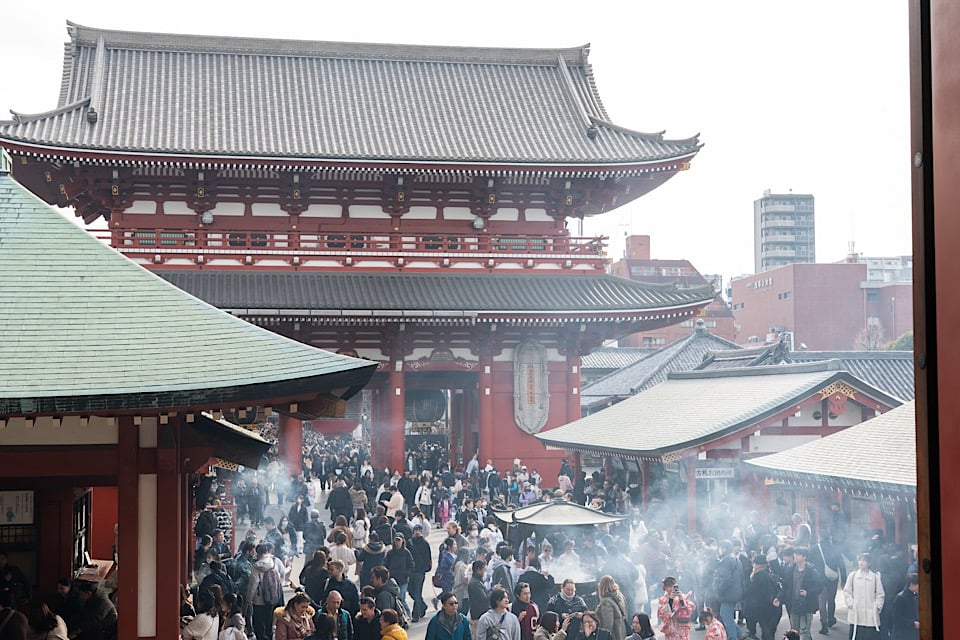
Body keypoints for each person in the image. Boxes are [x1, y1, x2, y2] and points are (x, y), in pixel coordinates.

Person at [842, 553, 884, 640]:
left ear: (869, 563)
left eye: (864, 560)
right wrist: (851, 604)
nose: (861, 562)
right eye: (860, 560)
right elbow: (847, 592)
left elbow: (880, 594)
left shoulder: (875, 577)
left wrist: (877, 607)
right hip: (856, 614)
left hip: (871, 616)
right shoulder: (853, 576)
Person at [744, 554, 782, 640]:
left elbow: (751, 591)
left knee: (765, 632)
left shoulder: (759, 575)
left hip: (763, 608)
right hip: (773, 607)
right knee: (769, 632)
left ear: (758, 565)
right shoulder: (770, 573)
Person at [714, 540, 743, 640]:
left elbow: (726, 579)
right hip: (736, 592)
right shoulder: (737, 560)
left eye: (720, 548)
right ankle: (739, 634)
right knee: (727, 615)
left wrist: (718, 590)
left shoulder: (725, 561)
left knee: (726, 616)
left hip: (728, 594)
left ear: (724, 548)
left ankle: (733, 637)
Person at [409, 524, 432, 622]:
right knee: (411, 592)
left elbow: (428, 558)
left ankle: (416, 614)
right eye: (416, 530)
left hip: (420, 572)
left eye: (419, 530)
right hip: (410, 571)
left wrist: (425, 568)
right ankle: (422, 606)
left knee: (417, 593)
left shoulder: (425, 544)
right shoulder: (409, 543)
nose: (417, 532)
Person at [385, 534, 416, 609]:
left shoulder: (406, 553)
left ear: (402, 541)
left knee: (401, 598)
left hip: (403, 580)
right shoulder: (390, 553)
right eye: (396, 540)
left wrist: (406, 574)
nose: (397, 542)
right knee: (394, 600)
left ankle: (407, 613)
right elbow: (385, 564)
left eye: (399, 540)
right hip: (392, 580)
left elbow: (411, 565)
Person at [890, 574, 919, 640]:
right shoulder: (900, 598)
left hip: (911, 634)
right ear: (912, 584)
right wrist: (913, 624)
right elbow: (896, 619)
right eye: (918, 584)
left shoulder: (915, 596)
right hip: (902, 635)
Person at [468, 561, 491, 639]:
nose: (484, 572)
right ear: (479, 570)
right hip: (478, 616)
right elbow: (484, 599)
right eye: (484, 569)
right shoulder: (475, 583)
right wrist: (493, 590)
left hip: (480, 615)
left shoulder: (477, 581)